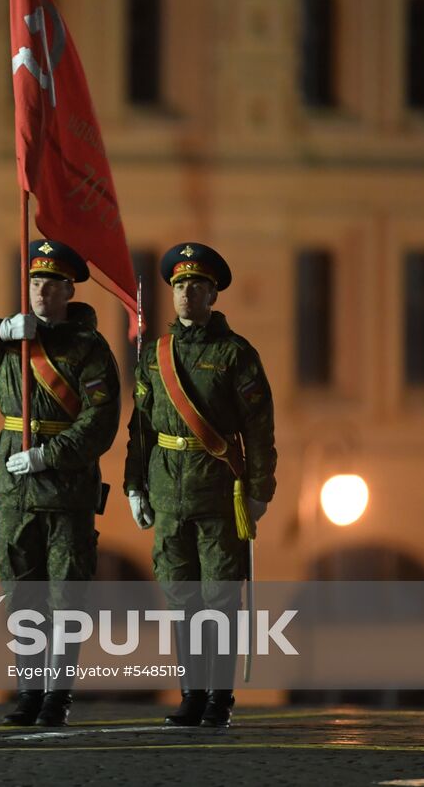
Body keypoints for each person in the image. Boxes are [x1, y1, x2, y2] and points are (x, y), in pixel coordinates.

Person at [0, 239, 120, 727]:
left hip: (66, 489)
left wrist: (49, 455)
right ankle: (27, 689)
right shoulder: (14, 344)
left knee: (65, 595)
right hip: (15, 490)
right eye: (34, 283)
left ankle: (57, 695)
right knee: (21, 594)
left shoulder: (89, 349)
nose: (40, 292)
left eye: (50, 284)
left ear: (67, 289)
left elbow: (101, 421)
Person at [123, 242, 275, 728]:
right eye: (180, 286)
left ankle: (218, 697)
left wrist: (258, 491)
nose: (186, 294)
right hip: (167, 490)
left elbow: (259, 429)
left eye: (196, 286)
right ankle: (191, 694)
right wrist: (133, 485)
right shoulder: (155, 353)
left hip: (218, 490)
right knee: (180, 595)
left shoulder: (235, 354)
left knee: (220, 596)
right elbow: (141, 426)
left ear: (213, 294)